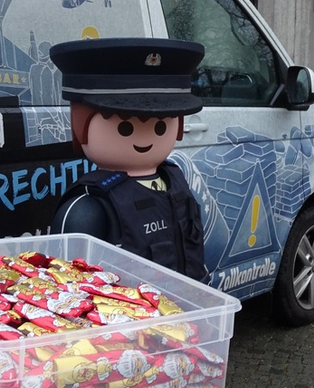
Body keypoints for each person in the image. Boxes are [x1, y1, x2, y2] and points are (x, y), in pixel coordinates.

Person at [49, 37, 207, 281]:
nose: (145, 136)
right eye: (124, 127)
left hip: (189, 312)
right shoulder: (88, 209)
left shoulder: (176, 182)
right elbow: (68, 287)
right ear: (80, 126)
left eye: (160, 126)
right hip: (130, 318)